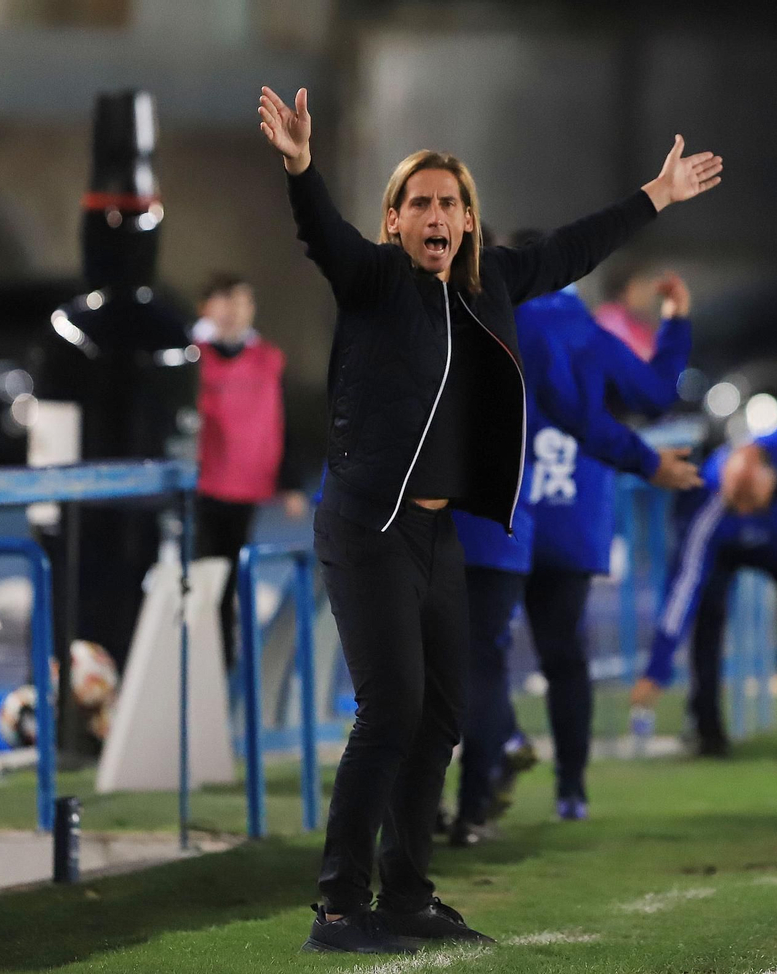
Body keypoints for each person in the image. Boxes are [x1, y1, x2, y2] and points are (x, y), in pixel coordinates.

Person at [259, 84, 722, 954]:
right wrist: (300, 166)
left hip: (437, 532)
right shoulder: (372, 280)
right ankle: (335, 907)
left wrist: (655, 197)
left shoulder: (497, 282)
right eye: (420, 203)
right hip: (367, 525)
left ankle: (406, 898)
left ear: (470, 219)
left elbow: (579, 247)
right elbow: (319, 231)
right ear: (394, 219)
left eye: (451, 202)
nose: (437, 215)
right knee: (390, 706)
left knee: (440, 716)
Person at [451, 257, 697, 845]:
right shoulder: (586, 333)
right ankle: (571, 791)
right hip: (574, 518)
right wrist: (677, 323)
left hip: (499, 515)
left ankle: (480, 788)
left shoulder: (484, 317)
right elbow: (655, 395)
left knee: (475, 656)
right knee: (563, 658)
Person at [630, 417, 777, 756]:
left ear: (770, 478)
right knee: (707, 613)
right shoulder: (707, 500)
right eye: (734, 501)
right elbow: (683, 588)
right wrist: (657, 669)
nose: (742, 511)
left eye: (749, 500)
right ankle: (706, 728)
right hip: (724, 549)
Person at [191, 272, 308, 669]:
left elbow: (282, 423)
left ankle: (222, 661)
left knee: (229, 577)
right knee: (200, 576)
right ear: (205, 308)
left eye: (242, 302)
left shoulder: (267, 360)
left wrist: (290, 482)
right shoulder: (190, 359)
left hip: (243, 487)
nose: (234, 311)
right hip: (200, 487)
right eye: (225, 301)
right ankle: (200, 656)